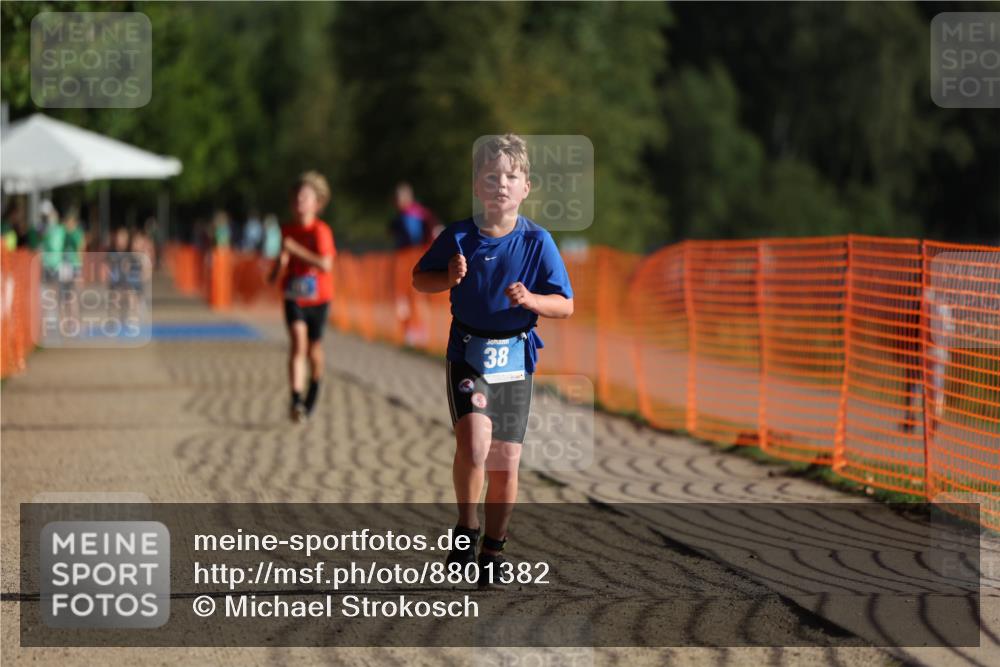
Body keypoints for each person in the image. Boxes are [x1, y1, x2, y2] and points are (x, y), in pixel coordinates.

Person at [411, 134, 574, 588]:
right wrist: (447, 276)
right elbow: (419, 280)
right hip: (468, 353)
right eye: (492, 176)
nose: (501, 184)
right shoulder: (458, 236)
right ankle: (467, 526)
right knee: (476, 445)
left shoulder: (538, 242)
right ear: (477, 185)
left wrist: (534, 299)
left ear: (526, 186)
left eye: (511, 176)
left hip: (515, 358)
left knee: (506, 458)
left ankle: (494, 547)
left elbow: (566, 305)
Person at [269, 172, 337, 423]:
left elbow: (326, 264)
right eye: (296, 196)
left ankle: (314, 389)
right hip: (293, 295)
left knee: (313, 350)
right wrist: (280, 263)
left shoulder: (320, 231)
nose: (299, 200)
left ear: (316, 202)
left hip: (319, 298)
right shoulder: (286, 229)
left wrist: (295, 249)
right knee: (297, 342)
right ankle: (296, 399)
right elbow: (275, 273)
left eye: (304, 196)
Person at [390, 182, 439, 249]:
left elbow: (413, 239)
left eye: (396, 198)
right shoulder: (420, 211)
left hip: (416, 252)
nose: (394, 201)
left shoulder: (409, 217)